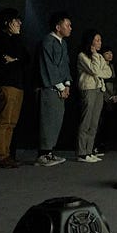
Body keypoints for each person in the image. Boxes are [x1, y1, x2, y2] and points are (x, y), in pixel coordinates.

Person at [0, 9, 28, 168]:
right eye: (16, 20)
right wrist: (15, 57)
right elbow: (6, 57)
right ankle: (1, 155)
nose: (19, 24)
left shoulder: (15, 39)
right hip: (7, 84)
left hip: (18, 84)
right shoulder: (0, 38)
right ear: (7, 22)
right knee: (4, 121)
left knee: (12, 122)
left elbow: (26, 58)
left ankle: (7, 154)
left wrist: (15, 59)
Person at [36, 12, 72, 167]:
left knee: (57, 120)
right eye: (67, 25)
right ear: (58, 27)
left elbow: (65, 66)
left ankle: (50, 151)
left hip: (61, 88)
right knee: (47, 120)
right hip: (49, 88)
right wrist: (60, 86)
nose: (70, 28)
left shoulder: (63, 43)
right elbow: (48, 66)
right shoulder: (47, 42)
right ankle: (43, 154)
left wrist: (68, 84)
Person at [75, 29, 110, 163]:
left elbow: (108, 73)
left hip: (99, 90)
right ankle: (81, 153)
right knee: (86, 121)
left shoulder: (100, 57)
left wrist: (97, 69)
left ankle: (89, 151)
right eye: (97, 40)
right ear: (90, 41)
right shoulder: (82, 55)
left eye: (100, 40)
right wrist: (95, 56)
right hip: (88, 89)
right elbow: (95, 70)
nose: (99, 42)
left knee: (94, 122)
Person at [96, 46, 117, 153]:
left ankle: (105, 145)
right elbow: (101, 83)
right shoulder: (100, 66)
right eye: (107, 53)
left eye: (111, 53)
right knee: (100, 122)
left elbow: (115, 82)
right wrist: (108, 97)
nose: (110, 55)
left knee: (109, 123)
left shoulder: (112, 66)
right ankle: (96, 145)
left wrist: (116, 95)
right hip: (103, 96)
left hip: (112, 97)